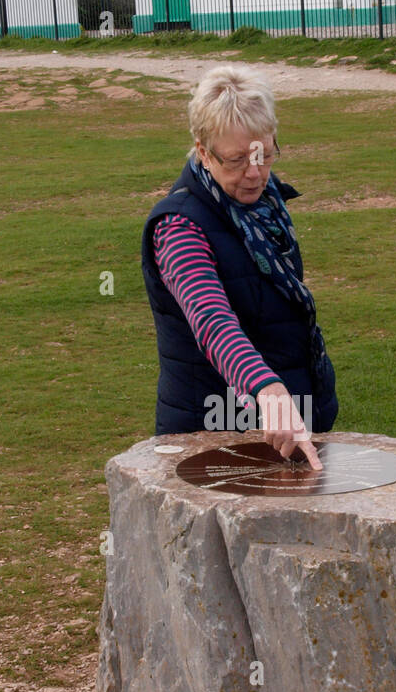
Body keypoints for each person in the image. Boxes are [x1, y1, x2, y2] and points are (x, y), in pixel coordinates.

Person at [140, 64, 339, 469]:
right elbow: (211, 318)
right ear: (202, 151)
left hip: (283, 424)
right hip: (211, 435)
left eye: (263, 154)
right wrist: (266, 388)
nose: (255, 173)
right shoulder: (179, 226)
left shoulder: (267, 209)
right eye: (236, 161)